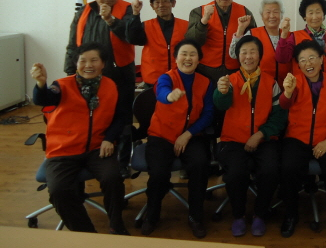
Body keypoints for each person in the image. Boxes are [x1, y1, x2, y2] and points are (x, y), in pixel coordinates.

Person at [31, 42, 129, 235]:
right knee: (59, 191)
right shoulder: (61, 86)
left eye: (94, 60)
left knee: (113, 179)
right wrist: (41, 84)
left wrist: (109, 138)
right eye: (83, 61)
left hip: (97, 148)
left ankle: (116, 225)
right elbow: (43, 99)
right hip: (63, 150)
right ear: (76, 64)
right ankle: (86, 234)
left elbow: (120, 118)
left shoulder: (111, 86)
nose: (88, 65)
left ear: (103, 64)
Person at [214, 35, 287, 237]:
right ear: (238, 56)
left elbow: (279, 117)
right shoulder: (229, 81)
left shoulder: (271, 83)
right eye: (244, 52)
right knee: (235, 173)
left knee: (270, 170)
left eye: (253, 52)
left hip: (264, 139)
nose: (248, 56)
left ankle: (260, 214)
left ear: (260, 56)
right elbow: (220, 105)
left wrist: (260, 134)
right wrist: (221, 92)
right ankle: (238, 215)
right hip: (233, 140)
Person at [141, 39, 215, 239]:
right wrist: (169, 96)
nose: (188, 58)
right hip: (161, 135)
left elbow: (208, 114)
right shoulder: (166, 78)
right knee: (158, 172)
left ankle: (195, 216)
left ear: (199, 59)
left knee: (200, 165)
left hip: (191, 135)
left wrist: (188, 134)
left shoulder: (206, 82)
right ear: (175, 58)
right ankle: (152, 215)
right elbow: (161, 92)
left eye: (192, 54)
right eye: (184, 54)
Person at [64, 0, 135, 176]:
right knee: (90, 116)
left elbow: (131, 35)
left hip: (120, 74)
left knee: (122, 118)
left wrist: (110, 19)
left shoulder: (126, 9)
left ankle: (122, 163)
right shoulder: (83, 11)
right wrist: (70, 73)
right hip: (87, 75)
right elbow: (73, 44)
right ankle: (91, 157)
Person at [279, 40, 326, 239]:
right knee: (288, 168)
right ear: (298, 65)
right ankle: (291, 215)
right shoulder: (294, 81)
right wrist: (288, 92)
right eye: (302, 60)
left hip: (325, 138)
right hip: (297, 138)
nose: (308, 63)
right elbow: (284, 104)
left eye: (311, 58)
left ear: (321, 59)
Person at [185, 0, 256, 82]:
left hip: (236, 70)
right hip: (205, 70)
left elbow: (253, 43)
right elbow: (192, 42)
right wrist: (204, 21)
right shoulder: (198, 12)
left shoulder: (245, 13)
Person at [126, 0, 188, 88]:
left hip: (180, 79)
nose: (161, 5)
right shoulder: (146, 26)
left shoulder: (186, 26)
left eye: (165, 1)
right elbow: (132, 39)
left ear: (173, 3)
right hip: (153, 81)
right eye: (157, 2)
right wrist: (135, 14)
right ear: (152, 6)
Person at [229, 0, 291, 88]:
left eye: (276, 12)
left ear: (281, 15)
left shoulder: (290, 36)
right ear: (262, 16)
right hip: (259, 86)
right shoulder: (253, 34)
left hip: (287, 86)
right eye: (268, 12)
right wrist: (240, 29)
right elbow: (234, 54)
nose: (272, 16)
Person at [275, 0, 326, 78]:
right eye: (310, 13)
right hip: (302, 84)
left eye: (318, 12)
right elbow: (282, 59)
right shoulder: (295, 36)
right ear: (304, 16)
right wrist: (284, 35)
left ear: (323, 14)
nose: (314, 17)